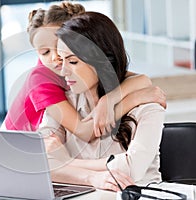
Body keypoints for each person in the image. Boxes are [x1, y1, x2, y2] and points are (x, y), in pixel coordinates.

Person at [2, 2, 165, 142]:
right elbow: (83, 132)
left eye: (59, 47)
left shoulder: (79, 65)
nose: (55, 58)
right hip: (14, 149)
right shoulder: (40, 79)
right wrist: (134, 99)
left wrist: (108, 100)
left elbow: (140, 79)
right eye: (45, 52)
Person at [39, 11, 165, 192]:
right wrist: (91, 177)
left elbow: (131, 169)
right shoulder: (63, 105)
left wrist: (65, 164)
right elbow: (38, 162)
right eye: (61, 61)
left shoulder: (146, 107)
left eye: (73, 61)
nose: (64, 71)